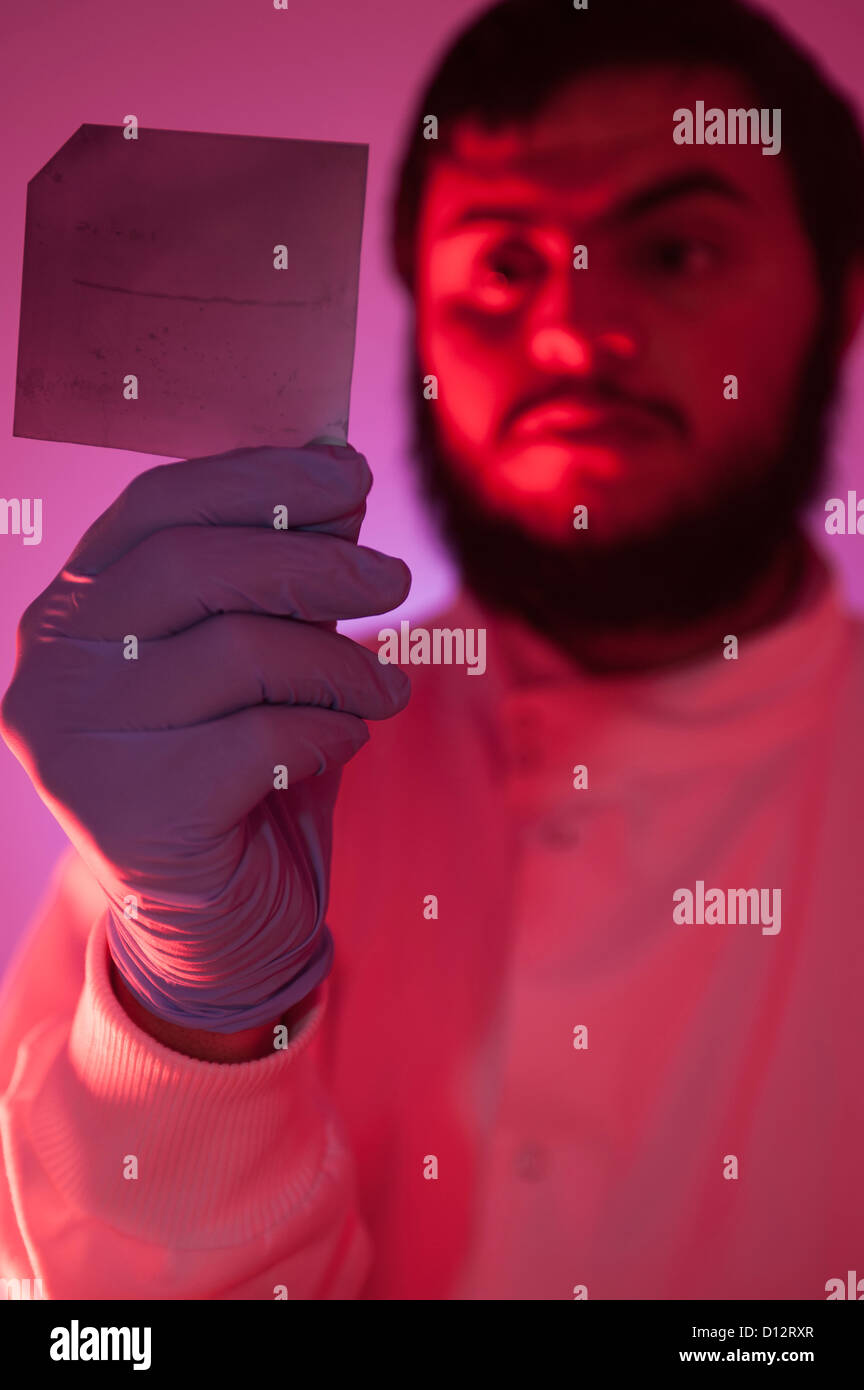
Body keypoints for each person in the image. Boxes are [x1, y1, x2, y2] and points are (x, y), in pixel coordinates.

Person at [2, 0, 863, 1301]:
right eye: (503, 267)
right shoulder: (227, 767)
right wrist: (196, 1010)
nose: (573, 336)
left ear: (845, 298)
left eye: (678, 251)